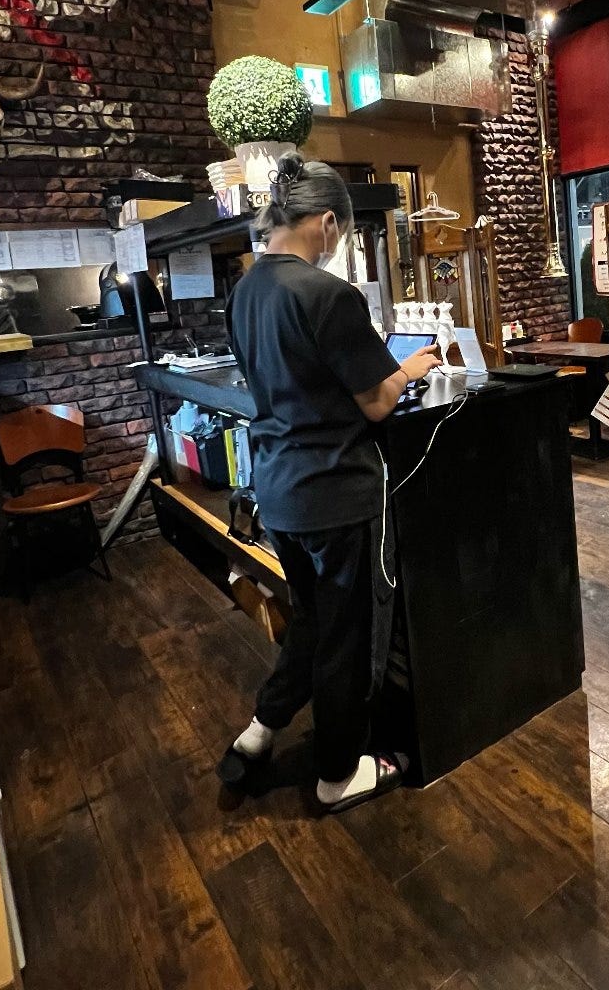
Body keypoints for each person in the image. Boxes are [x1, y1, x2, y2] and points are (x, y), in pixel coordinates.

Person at [222, 153, 440, 812]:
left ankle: (261, 730)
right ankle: (337, 774)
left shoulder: (247, 291)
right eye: (339, 231)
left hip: (280, 488)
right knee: (347, 637)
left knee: (312, 622)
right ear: (326, 221)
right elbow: (375, 402)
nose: (336, 242)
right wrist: (412, 368)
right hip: (336, 492)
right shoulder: (327, 294)